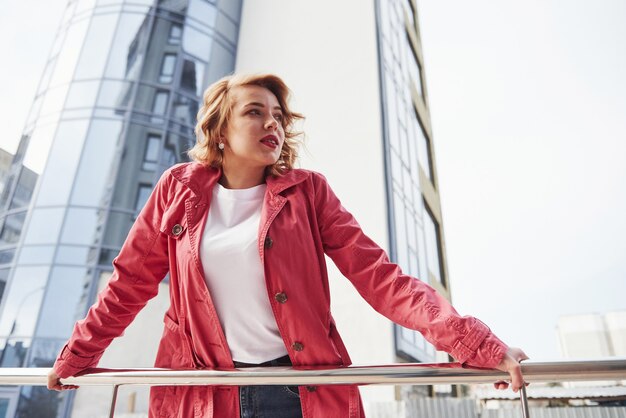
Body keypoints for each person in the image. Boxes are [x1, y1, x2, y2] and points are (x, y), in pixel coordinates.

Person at [48, 73, 528, 417]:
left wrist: (477, 343)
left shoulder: (308, 191)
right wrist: (77, 356)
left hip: (299, 394)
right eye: (254, 112)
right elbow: (129, 284)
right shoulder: (179, 189)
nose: (271, 124)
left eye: (277, 115)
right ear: (220, 129)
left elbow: (381, 279)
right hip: (205, 395)